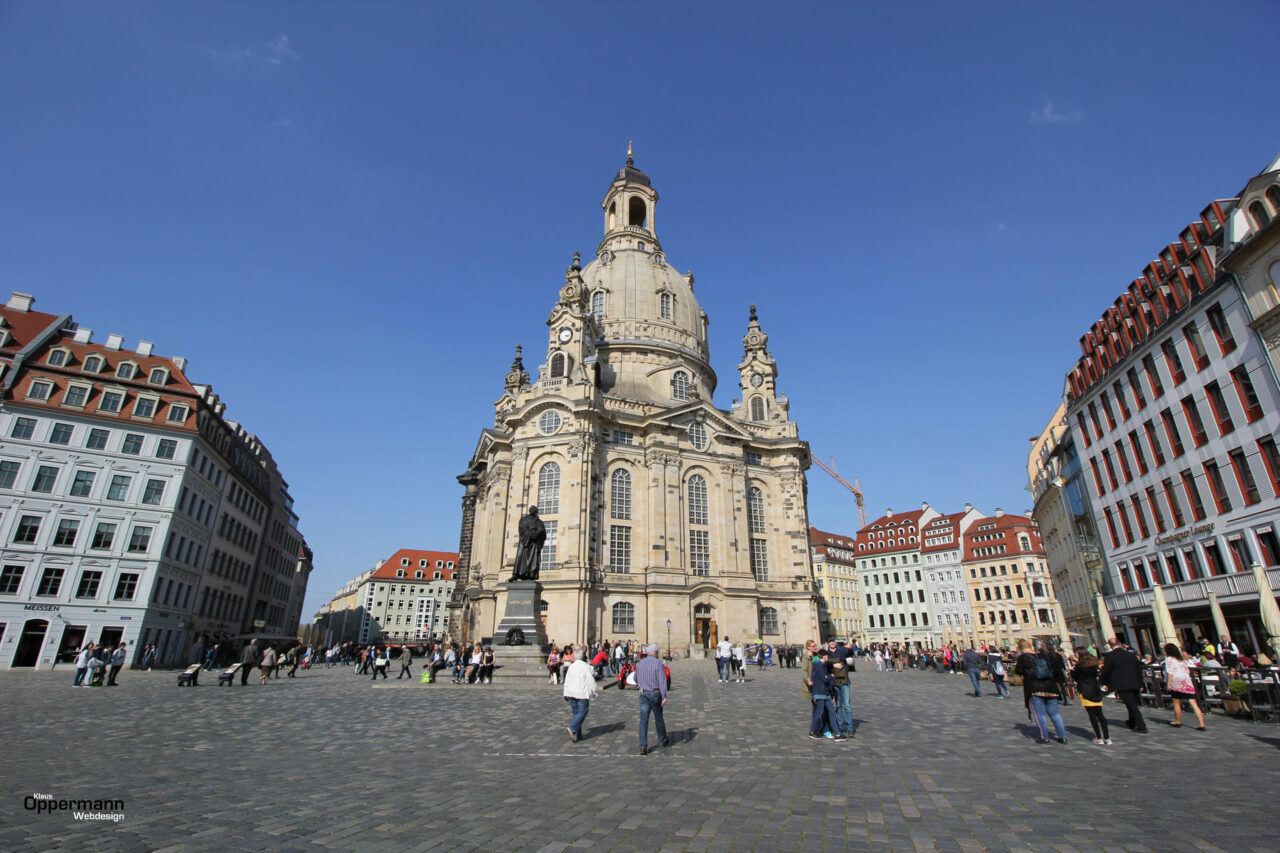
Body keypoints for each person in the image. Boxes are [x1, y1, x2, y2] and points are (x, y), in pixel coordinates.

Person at [1015, 640, 1067, 744]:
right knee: (1055, 714)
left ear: (1020, 648)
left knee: (1040, 714)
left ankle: (1044, 737)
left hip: (1035, 688)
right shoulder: (1044, 655)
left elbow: (1018, 671)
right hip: (1051, 687)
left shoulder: (1023, 658)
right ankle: (1063, 736)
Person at [1100, 637, 1147, 733]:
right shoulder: (1131, 655)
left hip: (1122, 683)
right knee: (1131, 703)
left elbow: (1106, 670)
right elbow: (1138, 669)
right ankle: (1131, 722)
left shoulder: (1110, 655)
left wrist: (1102, 681)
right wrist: (1141, 683)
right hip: (1135, 682)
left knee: (1132, 705)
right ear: (1120, 643)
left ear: (1110, 645)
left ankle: (1141, 726)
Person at [635, 644, 670, 755]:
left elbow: (635, 677)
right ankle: (662, 740)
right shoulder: (658, 663)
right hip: (655, 693)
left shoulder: (640, 663)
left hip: (643, 693)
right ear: (655, 652)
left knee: (643, 720)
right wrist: (664, 696)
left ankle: (643, 746)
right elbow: (662, 681)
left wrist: (641, 684)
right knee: (659, 718)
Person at [1162, 643, 1206, 730]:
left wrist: (1168, 684)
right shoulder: (1182, 659)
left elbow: (1170, 673)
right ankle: (1201, 723)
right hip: (1186, 681)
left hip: (1176, 681)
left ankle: (1177, 721)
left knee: (1177, 702)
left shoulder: (1169, 659)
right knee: (1193, 703)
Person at [1071, 650, 1111, 745]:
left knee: (1092, 715)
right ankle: (1107, 738)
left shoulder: (1080, 666)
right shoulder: (1094, 665)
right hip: (1095, 690)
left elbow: (1076, 677)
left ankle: (1099, 737)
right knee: (1100, 715)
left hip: (1085, 690)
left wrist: (1072, 670)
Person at [562, 645, 598, 742]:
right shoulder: (585, 666)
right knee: (583, 711)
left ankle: (577, 735)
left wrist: (565, 693)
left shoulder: (571, 667)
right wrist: (595, 691)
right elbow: (591, 679)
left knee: (575, 713)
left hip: (571, 693)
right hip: (581, 693)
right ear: (582, 656)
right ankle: (572, 727)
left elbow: (567, 680)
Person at [808, 649, 843, 741]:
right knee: (818, 712)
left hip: (826, 692)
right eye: (827, 656)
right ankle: (812, 731)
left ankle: (837, 734)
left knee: (831, 712)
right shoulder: (819, 666)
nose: (828, 658)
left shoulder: (822, 665)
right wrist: (831, 675)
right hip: (820, 692)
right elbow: (825, 678)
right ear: (824, 656)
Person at [829, 643, 853, 738]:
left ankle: (849, 727)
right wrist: (834, 664)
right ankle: (840, 726)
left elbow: (850, 653)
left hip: (845, 680)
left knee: (847, 705)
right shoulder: (827, 653)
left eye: (833, 641)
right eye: (830, 641)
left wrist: (850, 648)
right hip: (835, 681)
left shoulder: (842, 651)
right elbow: (822, 660)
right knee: (838, 704)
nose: (832, 643)